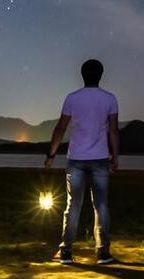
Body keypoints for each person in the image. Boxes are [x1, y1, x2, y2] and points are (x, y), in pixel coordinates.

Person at [43, 59, 119, 265]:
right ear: (100, 75)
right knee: (101, 205)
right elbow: (113, 131)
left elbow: (60, 129)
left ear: (82, 74)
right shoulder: (109, 99)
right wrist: (115, 157)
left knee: (73, 205)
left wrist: (51, 155)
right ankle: (103, 252)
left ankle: (66, 252)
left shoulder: (72, 98)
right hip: (101, 159)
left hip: (76, 159)